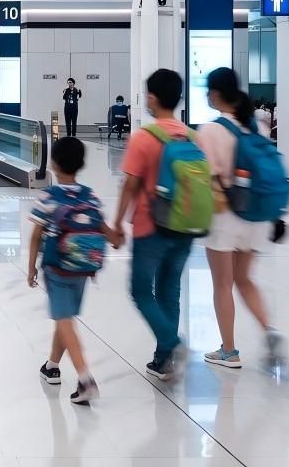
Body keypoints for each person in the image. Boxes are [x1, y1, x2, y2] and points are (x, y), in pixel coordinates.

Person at [196, 68, 285, 369]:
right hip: (256, 216)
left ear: (218, 94)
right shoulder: (255, 127)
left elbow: (204, 178)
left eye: (209, 90)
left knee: (222, 284)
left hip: (225, 217)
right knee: (244, 279)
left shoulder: (210, 131)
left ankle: (229, 351)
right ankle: (270, 331)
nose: (207, 95)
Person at [108, 68, 193, 381]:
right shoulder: (190, 135)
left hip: (151, 227)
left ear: (153, 98)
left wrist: (116, 224)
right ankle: (163, 359)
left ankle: (171, 344)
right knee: (169, 291)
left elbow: (129, 185)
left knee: (142, 291)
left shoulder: (145, 137)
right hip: (185, 227)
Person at [27, 137, 103, 404]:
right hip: (83, 267)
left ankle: (85, 379)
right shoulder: (90, 195)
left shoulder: (49, 196)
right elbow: (101, 226)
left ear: (54, 164)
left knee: (64, 319)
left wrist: (30, 270)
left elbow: (36, 235)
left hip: (57, 266)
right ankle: (52, 366)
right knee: (66, 317)